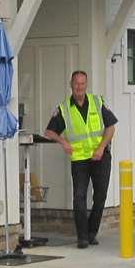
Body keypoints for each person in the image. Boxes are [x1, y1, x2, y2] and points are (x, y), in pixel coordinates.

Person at [44, 70, 118, 249]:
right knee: (79, 197)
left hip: (100, 157)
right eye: (76, 83)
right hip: (79, 159)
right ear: (71, 85)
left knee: (100, 196)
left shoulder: (97, 102)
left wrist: (101, 147)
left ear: (86, 85)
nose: (79, 87)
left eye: (82, 83)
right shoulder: (64, 108)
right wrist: (63, 142)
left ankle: (92, 232)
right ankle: (82, 237)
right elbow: (49, 132)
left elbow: (111, 127)